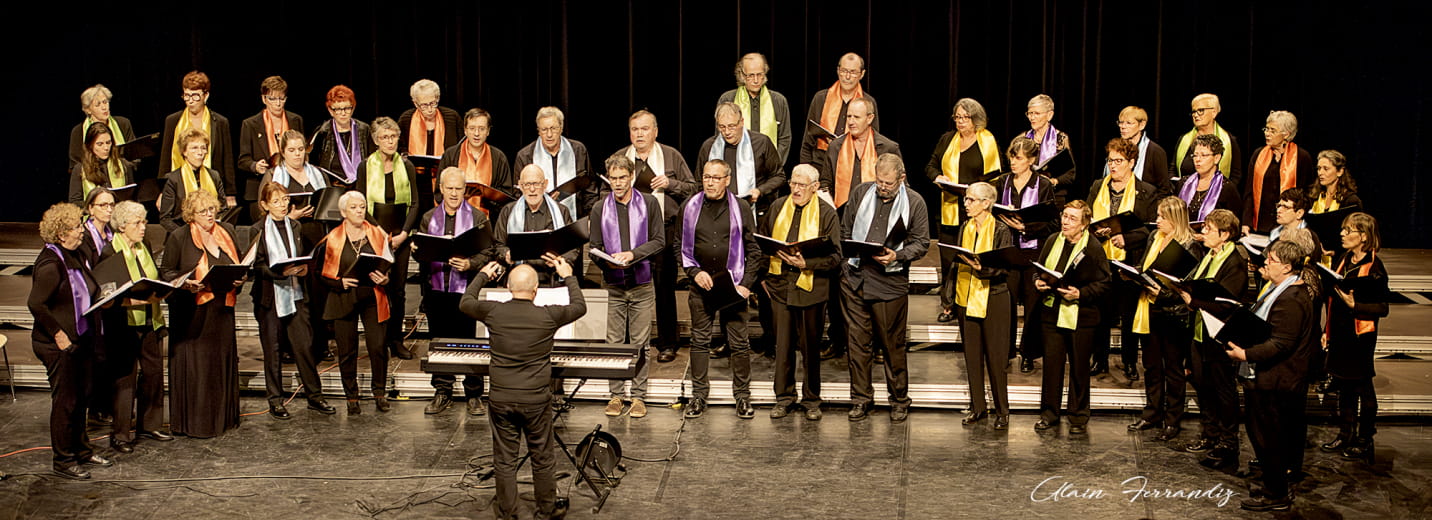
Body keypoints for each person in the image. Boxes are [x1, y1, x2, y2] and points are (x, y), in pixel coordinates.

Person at [459, 257, 585, 520]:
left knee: (505, 459)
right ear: (536, 289)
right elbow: (579, 306)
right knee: (542, 456)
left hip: (501, 397)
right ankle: (547, 509)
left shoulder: (494, 312)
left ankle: (508, 512)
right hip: (536, 400)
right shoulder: (547, 314)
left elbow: (466, 302)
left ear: (507, 287)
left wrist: (482, 275)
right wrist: (567, 275)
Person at [1226, 240, 1321, 512]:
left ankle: (1276, 494)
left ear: (1288, 267)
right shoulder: (1281, 289)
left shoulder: (1292, 298)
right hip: (1270, 379)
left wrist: (1245, 355)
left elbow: (1281, 344)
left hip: (1277, 380)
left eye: (1272, 259)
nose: (1266, 262)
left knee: (1270, 437)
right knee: (1265, 436)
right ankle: (1273, 486)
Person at [842, 154, 930, 422]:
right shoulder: (861, 192)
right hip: (856, 278)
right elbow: (846, 229)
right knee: (857, 345)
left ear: (901, 179)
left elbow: (921, 242)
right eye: (879, 180)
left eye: (888, 183)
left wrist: (897, 256)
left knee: (892, 346)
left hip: (890, 283)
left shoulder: (914, 202)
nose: (882, 187)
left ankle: (899, 399)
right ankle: (861, 398)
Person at [30, 203, 110, 479]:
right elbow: (37, 305)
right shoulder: (51, 264)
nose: (81, 232)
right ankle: (63, 460)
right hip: (58, 343)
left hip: (82, 338)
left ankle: (82, 451)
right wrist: (58, 335)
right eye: (77, 227)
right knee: (66, 401)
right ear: (61, 234)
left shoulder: (73, 254)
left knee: (82, 397)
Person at [679, 159, 763, 419]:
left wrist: (747, 284)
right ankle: (698, 396)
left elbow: (754, 249)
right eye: (706, 177)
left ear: (727, 180)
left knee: (739, 343)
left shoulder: (741, 207)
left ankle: (742, 397)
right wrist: (694, 272)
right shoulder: (689, 206)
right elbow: (677, 247)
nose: (710, 182)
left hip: (734, 285)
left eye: (716, 178)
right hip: (701, 285)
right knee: (700, 342)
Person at [159, 189, 244, 438]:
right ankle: (197, 423)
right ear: (190, 215)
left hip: (221, 310)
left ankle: (222, 419)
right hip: (193, 312)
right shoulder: (179, 236)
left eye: (211, 210)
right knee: (200, 367)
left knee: (219, 363)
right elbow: (166, 272)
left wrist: (241, 277)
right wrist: (186, 284)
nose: (209, 215)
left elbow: (236, 262)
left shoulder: (225, 231)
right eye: (203, 211)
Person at [614, 110, 697, 363]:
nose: (639, 134)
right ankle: (630, 342)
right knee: (628, 287)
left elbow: (694, 188)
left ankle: (667, 343)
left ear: (655, 131)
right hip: (629, 231)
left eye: (645, 129)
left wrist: (670, 185)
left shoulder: (670, 155)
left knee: (663, 287)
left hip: (664, 230)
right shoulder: (620, 159)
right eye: (635, 129)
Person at [759, 165, 840, 420]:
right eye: (793, 183)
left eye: (802, 185)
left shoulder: (826, 214)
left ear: (815, 187)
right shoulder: (778, 207)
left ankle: (812, 400)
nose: (795, 189)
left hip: (811, 290)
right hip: (780, 287)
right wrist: (763, 278)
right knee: (782, 347)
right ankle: (783, 398)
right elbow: (760, 241)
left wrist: (808, 264)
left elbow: (836, 257)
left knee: (810, 348)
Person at [1171, 209, 1248, 468]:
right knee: (1203, 386)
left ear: (1225, 234)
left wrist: (1194, 301)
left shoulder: (1234, 262)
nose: (1203, 232)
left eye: (1208, 228)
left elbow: (1228, 303)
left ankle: (1228, 443)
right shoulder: (1208, 256)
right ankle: (1210, 434)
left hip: (1219, 335)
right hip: (1200, 332)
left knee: (1223, 391)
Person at [250, 182, 333, 418]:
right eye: (276, 201)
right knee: (273, 350)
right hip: (269, 297)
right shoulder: (257, 229)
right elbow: (256, 266)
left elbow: (305, 257)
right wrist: (280, 273)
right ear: (265, 205)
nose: (282, 205)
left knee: (304, 346)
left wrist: (305, 270)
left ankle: (315, 396)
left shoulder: (296, 226)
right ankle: (276, 399)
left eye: (285, 199)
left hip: (296, 293)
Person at [590, 156, 664, 418]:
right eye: (613, 178)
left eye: (622, 178)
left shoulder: (649, 203)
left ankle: (639, 396)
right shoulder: (600, 207)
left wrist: (633, 254)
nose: (618, 183)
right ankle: (616, 395)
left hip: (642, 283)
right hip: (613, 285)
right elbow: (594, 248)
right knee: (614, 343)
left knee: (640, 342)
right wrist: (609, 262)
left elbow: (658, 241)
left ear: (631, 176)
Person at [97, 201, 174, 453]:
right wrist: (132, 300)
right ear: (121, 227)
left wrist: (164, 288)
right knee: (125, 379)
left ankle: (149, 424)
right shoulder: (109, 253)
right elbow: (105, 295)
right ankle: (121, 433)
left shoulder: (145, 246)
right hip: (123, 324)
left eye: (144, 222)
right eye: (137, 223)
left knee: (153, 374)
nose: (143, 227)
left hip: (150, 320)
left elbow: (152, 277)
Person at [420, 168, 496, 416]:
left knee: (470, 342)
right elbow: (422, 252)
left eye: (458, 188)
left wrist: (470, 264)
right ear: (441, 188)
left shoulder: (477, 217)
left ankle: (473, 393)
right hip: (437, 291)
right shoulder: (428, 217)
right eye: (449, 188)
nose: (453, 193)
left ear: (465, 190)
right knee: (440, 342)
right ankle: (442, 391)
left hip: (467, 291)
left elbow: (488, 251)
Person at [1125, 197, 1201, 442]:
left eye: (1161, 217)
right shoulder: (1154, 238)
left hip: (1173, 314)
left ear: (1175, 219)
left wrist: (1164, 294)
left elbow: (1187, 284)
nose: (1157, 221)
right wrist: (1133, 275)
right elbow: (1147, 267)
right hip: (1149, 309)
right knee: (1151, 365)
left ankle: (1172, 418)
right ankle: (1152, 412)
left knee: (1173, 368)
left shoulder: (1189, 245)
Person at [314, 191, 394, 415]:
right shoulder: (331, 239)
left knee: (377, 346)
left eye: (362, 207)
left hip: (372, 296)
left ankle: (379, 393)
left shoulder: (377, 234)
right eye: (354, 208)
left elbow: (389, 265)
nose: (359, 211)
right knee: (347, 350)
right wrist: (339, 283)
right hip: (344, 296)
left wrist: (385, 279)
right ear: (343, 213)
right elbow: (319, 274)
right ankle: (352, 396)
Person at [1034, 201, 1111, 434]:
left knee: (1079, 368)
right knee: (1052, 366)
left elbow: (1105, 283)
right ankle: (1049, 414)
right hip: (1052, 312)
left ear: (1084, 225)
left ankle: (1078, 417)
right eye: (1064, 216)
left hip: (1082, 316)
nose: (1065, 222)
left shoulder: (1093, 248)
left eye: (1072, 219)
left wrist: (1081, 293)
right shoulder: (1052, 240)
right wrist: (1037, 281)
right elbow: (1040, 269)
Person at [1087, 138, 1157, 380]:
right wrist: (1098, 230)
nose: (1113, 165)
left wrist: (1125, 238)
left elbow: (1149, 229)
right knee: (1101, 314)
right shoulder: (1098, 186)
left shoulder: (1146, 191)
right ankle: (1100, 359)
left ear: (1132, 162)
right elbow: (1087, 219)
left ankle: (1128, 361)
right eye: (1110, 160)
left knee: (1128, 315)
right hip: (1100, 260)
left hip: (1129, 261)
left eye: (1118, 161)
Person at [1320, 212, 1388, 461]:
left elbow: (1383, 308)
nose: (1342, 234)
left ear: (1364, 236)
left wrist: (1354, 305)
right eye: (1343, 230)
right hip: (1339, 331)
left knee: (1362, 388)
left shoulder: (1375, 267)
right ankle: (1345, 434)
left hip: (1360, 335)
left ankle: (1365, 438)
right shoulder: (1342, 259)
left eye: (1348, 231)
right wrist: (1326, 331)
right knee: (1344, 386)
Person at [926, 98, 1000, 324]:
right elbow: (931, 165)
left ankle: (971, 302)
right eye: (957, 117)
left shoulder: (986, 140)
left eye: (965, 118)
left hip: (977, 210)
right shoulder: (948, 139)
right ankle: (948, 306)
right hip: (949, 207)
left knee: (972, 257)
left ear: (976, 119)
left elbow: (994, 175)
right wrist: (937, 177)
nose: (960, 122)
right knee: (949, 259)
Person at [357, 117, 420, 361]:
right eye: (384, 137)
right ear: (375, 140)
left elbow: (415, 202)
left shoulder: (408, 166)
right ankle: (379, 340)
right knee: (377, 288)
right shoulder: (365, 166)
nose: (390, 141)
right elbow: (362, 204)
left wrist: (404, 233)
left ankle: (397, 340)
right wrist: (379, 233)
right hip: (375, 236)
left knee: (398, 291)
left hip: (401, 237)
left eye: (393, 136)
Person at [952, 182, 1015, 430]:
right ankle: (978, 407)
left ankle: (1002, 410)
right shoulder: (965, 228)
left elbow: (1005, 267)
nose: (965, 204)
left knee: (996, 359)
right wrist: (949, 300)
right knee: (972, 356)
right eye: (966, 199)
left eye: (971, 200)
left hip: (994, 298)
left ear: (986, 203)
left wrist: (983, 269)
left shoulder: (1000, 229)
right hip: (966, 296)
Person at [990, 138, 1056, 373]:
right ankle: (1005, 351)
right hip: (1008, 252)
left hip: (1033, 254)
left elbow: (1053, 223)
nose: (1013, 162)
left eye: (1018, 158)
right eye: (1011, 157)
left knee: (1032, 306)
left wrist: (1025, 228)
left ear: (1030, 160)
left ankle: (1028, 353)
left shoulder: (1043, 185)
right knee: (1005, 304)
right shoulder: (1002, 182)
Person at [159, 71, 235, 208]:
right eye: (187, 96)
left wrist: (230, 193)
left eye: (195, 96)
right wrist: (162, 190)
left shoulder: (219, 122)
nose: (191, 101)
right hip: (179, 187)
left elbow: (227, 159)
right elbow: (165, 158)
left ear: (205, 96)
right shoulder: (173, 121)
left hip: (211, 184)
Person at [494, 165, 579, 283]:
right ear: (520, 185)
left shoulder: (561, 211)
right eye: (527, 184)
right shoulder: (508, 211)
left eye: (536, 184)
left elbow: (573, 247)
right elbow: (498, 245)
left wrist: (560, 260)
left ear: (545, 184)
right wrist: (506, 255)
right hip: (517, 281)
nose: (532, 189)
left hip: (551, 279)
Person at [699, 102, 787, 213]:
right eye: (722, 127)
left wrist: (760, 191)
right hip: (717, 212)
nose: (726, 132)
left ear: (741, 122)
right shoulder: (709, 147)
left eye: (731, 126)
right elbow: (699, 182)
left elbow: (779, 177)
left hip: (755, 210)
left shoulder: (761, 143)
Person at [238, 76, 305, 221]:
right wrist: (255, 166)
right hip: (260, 190)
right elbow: (243, 160)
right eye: (272, 99)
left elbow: (302, 152)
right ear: (264, 99)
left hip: (290, 189)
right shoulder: (250, 124)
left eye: (282, 99)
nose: (278, 103)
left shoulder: (295, 120)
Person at [799, 52, 878, 174]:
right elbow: (808, 139)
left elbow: (873, 140)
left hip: (851, 167)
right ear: (838, 71)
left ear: (862, 74)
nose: (847, 77)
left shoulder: (868, 102)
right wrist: (805, 169)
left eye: (852, 72)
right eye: (844, 71)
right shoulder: (821, 98)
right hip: (820, 164)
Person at [513, 106, 596, 219]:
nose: (549, 134)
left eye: (553, 128)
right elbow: (518, 194)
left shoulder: (578, 151)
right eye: (544, 129)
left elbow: (590, 188)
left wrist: (590, 218)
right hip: (538, 221)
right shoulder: (525, 156)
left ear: (561, 128)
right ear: (538, 131)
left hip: (575, 219)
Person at [1243, 110, 1314, 235]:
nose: (1267, 134)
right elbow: (1249, 192)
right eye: (1266, 129)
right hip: (1260, 225)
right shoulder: (1258, 154)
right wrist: (1246, 222)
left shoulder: (1302, 157)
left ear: (1286, 134)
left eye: (1272, 131)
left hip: (1288, 228)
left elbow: (1307, 195)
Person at [821, 97, 900, 209]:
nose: (851, 122)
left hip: (877, 214)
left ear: (870, 118)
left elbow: (900, 185)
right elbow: (825, 184)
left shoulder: (888, 148)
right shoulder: (835, 147)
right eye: (849, 116)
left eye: (856, 117)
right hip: (841, 215)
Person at [718, 52, 792, 164]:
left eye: (760, 74)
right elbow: (720, 135)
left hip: (769, 167)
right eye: (751, 75)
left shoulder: (778, 101)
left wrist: (774, 164)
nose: (756, 80)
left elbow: (784, 138)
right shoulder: (728, 99)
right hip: (735, 164)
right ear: (742, 75)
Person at [437, 108, 515, 209]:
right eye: (472, 128)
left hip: (488, 219)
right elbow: (439, 192)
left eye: (482, 129)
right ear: (465, 130)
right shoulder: (450, 155)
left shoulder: (499, 157)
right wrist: (458, 197)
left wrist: (484, 197)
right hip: (455, 217)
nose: (476, 133)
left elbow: (506, 195)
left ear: (488, 131)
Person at [158, 129, 226, 231]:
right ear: (184, 152)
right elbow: (165, 219)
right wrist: (186, 236)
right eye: (194, 148)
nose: (200, 152)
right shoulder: (173, 179)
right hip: (182, 234)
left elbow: (223, 209)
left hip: (211, 233)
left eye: (203, 148)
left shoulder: (214, 176)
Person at [1173, 93, 1243, 188]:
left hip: (1215, 198)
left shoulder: (1229, 140)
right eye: (1194, 111)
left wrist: (1221, 193)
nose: (1195, 115)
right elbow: (1172, 169)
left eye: (1200, 110)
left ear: (1214, 112)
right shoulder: (1184, 140)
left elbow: (1236, 175)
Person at [311, 85, 373, 188]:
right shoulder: (323, 132)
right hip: (333, 188)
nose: (343, 113)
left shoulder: (364, 129)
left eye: (347, 108)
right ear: (330, 111)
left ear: (353, 108)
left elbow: (372, 159)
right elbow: (314, 165)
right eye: (338, 109)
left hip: (363, 186)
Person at [1176, 134, 1243, 225]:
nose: (1198, 160)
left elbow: (1234, 227)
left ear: (1216, 158)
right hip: (1182, 237)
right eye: (1195, 155)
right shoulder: (1183, 183)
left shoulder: (1227, 188)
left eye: (1203, 155)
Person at [1020, 94, 1075, 203]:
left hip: (1053, 196)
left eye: (1036, 113)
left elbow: (1070, 174)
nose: (1032, 117)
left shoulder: (1061, 139)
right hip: (1026, 196)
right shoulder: (1022, 139)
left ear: (1049, 115)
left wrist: (1053, 181)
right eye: (1030, 113)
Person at [1104, 106, 1170, 196]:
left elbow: (1164, 190)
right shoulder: (1114, 149)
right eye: (1121, 122)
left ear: (1142, 125)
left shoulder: (1155, 151)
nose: (1123, 127)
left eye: (1129, 123)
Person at [68, 84, 136, 171]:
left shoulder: (123, 123)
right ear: (88, 110)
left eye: (105, 102)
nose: (104, 107)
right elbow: (75, 165)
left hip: (124, 174)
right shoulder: (78, 131)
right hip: (93, 178)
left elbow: (135, 155)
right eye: (98, 105)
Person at [69, 123, 134, 205]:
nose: (106, 148)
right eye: (100, 144)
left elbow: (131, 198)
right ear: (90, 145)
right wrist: (96, 206)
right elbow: (74, 203)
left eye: (108, 142)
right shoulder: (79, 169)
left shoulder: (124, 165)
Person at [397, 79, 461, 157]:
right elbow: (400, 147)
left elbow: (461, 146)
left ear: (438, 98)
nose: (430, 109)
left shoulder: (452, 117)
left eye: (433, 103)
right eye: (424, 105)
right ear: (416, 104)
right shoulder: (406, 119)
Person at [77, 188, 117, 268]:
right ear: (90, 208)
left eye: (112, 205)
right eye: (103, 205)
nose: (109, 210)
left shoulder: (114, 231)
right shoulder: (82, 236)